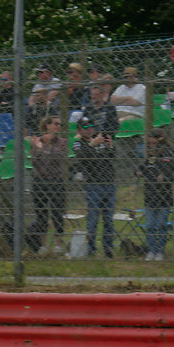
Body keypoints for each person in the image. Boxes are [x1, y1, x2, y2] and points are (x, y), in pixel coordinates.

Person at [77, 85, 119, 257]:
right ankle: (91, 248)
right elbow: (83, 157)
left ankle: (108, 249)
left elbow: (111, 156)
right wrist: (93, 144)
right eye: (86, 127)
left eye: (91, 126)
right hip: (93, 183)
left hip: (108, 181)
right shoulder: (80, 143)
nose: (89, 129)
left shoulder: (109, 110)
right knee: (93, 219)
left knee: (108, 219)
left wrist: (108, 144)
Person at [27, 115, 70, 256]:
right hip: (40, 181)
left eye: (60, 124)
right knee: (41, 213)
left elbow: (59, 157)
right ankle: (43, 245)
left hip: (56, 181)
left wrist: (45, 148)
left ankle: (58, 244)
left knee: (57, 212)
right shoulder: (36, 141)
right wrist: (40, 149)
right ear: (48, 125)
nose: (58, 126)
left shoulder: (63, 142)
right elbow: (34, 161)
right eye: (56, 123)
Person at [137, 130, 174, 260]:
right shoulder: (149, 156)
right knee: (150, 226)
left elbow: (169, 171)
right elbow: (143, 168)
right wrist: (138, 171)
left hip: (164, 196)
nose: (150, 143)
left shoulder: (167, 153)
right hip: (150, 196)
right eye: (149, 141)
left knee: (161, 225)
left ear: (158, 139)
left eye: (153, 140)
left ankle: (160, 251)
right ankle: (151, 251)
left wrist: (162, 175)